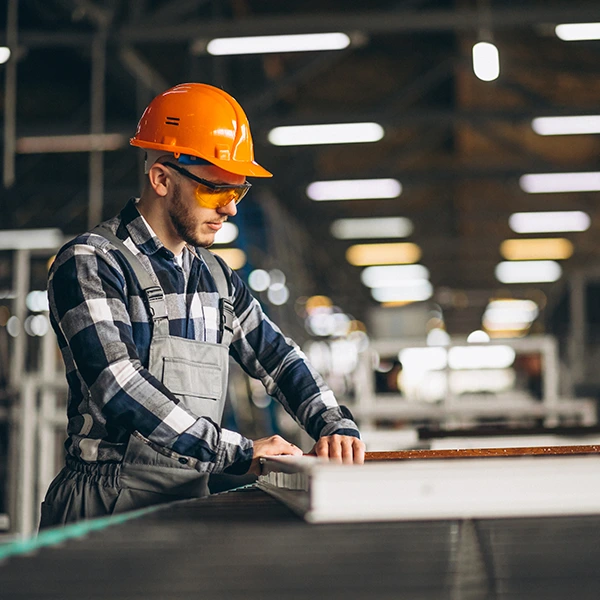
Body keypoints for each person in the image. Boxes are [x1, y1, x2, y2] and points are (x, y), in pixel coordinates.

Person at [40, 82, 365, 528]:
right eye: (215, 192)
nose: (229, 209)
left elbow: (278, 356)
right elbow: (118, 386)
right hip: (103, 504)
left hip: (188, 499)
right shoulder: (92, 262)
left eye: (237, 192)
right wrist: (237, 452)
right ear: (161, 178)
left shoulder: (216, 278)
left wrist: (333, 424)